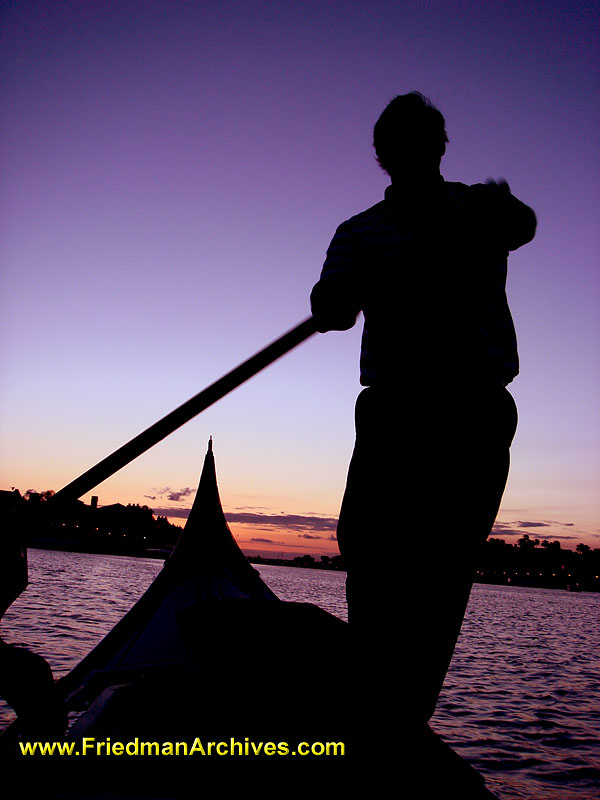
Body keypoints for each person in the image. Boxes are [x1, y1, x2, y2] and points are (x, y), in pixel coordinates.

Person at [310, 93, 536, 742]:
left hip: (470, 411)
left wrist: (503, 203)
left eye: (424, 140)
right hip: (393, 412)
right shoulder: (357, 233)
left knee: (439, 572)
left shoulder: (474, 209)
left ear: (440, 147)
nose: (411, 152)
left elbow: (520, 225)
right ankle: (371, 706)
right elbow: (334, 303)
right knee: (370, 553)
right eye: (397, 143)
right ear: (381, 156)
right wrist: (331, 299)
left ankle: (401, 724)